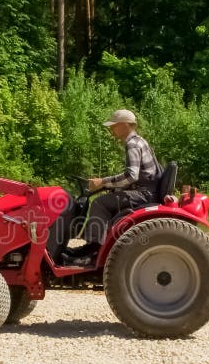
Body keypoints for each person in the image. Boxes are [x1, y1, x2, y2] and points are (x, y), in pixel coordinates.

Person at [63, 109, 162, 265]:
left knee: (99, 203)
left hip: (143, 194)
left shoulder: (132, 144)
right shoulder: (139, 141)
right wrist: (110, 185)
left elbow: (131, 176)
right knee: (105, 199)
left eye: (114, 126)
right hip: (146, 191)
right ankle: (93, 247)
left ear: (124, 125)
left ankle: (93, 251)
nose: (111, 129)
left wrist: (102, 182)